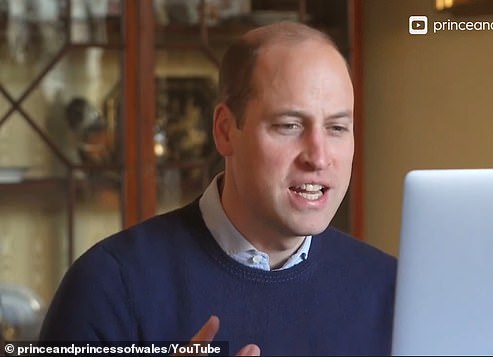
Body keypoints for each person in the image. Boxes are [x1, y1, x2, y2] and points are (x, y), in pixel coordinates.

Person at [39, 21, 397, 356]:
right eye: (289, 125)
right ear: (226, 130)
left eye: (337, 128)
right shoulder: (109, 286)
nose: (318, 158)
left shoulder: (393, 290)